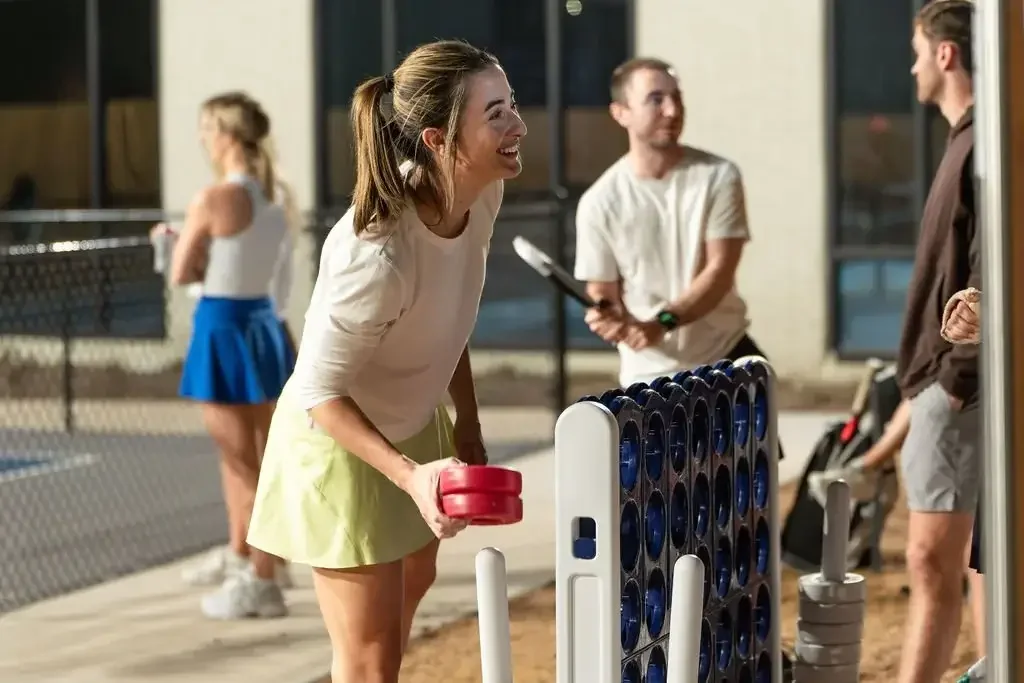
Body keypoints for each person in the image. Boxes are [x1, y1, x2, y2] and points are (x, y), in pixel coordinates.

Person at [245, 40, 526, 681]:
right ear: (437, 138)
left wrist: (468, 423)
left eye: (511, 105)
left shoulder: (479, 197)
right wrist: (411, 476)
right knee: (369, 661)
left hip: (413, 426)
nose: (517, 125)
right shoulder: (376, 253)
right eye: (495, 114)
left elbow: (446, 320)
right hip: (338, 446)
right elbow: (318, 389)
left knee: (404, 602)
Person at [151, 91, 299, 617]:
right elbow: (264, 280)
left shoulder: (212, 200)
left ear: (228, 136)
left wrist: (169, 245)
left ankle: (261, 580)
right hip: (262, 326)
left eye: (207, 127)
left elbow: (183, 275)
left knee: (243, 466)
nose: (201, 137)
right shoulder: (275, 203)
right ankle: (251, 558)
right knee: (252, 461)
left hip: (223, 327)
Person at [574, 57, 770, 386]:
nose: (672, 110)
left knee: (764, 437)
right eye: (656, 99)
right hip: (649, 375)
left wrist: (662, 321)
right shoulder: (600, 201)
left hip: (726, 355)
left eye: (676, 97)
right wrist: (608, 313)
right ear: (620, 113)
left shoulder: (718, 176)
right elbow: (601, 288)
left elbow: (720, 271)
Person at [896, 3, 982, 682]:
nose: (914, 64)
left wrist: (954, 378)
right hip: (946, 383)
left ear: (947, 56)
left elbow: (993, 270)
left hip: (958, 389)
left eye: (919, 50)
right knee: (979, 561)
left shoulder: (986, 144)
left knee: (933, 560)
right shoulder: (969, 139)